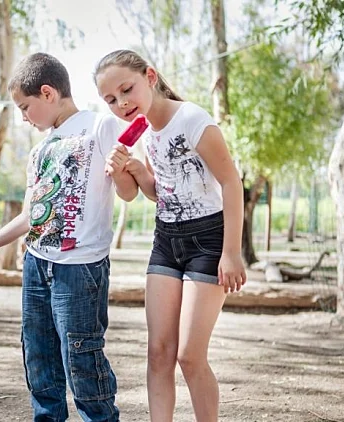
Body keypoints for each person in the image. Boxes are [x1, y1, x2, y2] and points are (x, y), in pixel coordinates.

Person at [0, 52, 135, 422]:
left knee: (81, 356)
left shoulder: (100, 127)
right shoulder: (40, 150)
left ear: (48, 93)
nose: (23, 118)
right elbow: (31, 215)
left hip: (79, 270)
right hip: (37, 265)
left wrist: (124, 170)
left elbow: (127, 193)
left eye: (25, 107)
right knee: (38, 354)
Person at [93, 49, 246, 422]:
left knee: (189, 356)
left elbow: (231, 182)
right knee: (159, 352)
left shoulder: (193, 119)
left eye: (126, 89)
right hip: (166, 240)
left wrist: (231, 252)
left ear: (150, 76)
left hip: (208, 240)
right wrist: (129, 170)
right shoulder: (144, 132)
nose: (121, 103)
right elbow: (160, 191)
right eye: (110, 99)